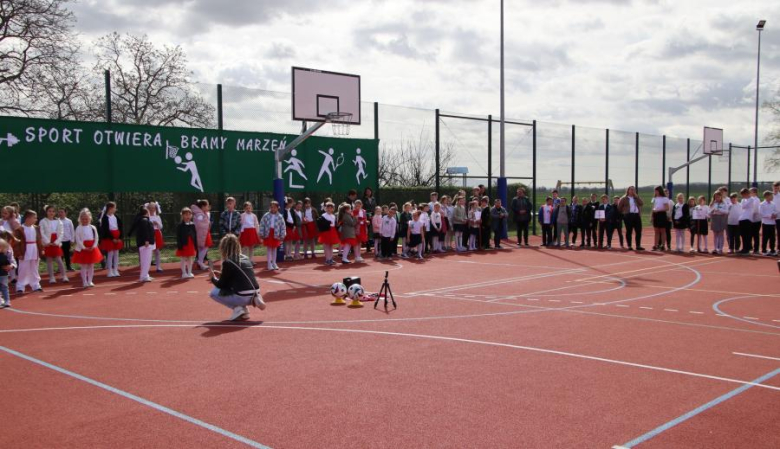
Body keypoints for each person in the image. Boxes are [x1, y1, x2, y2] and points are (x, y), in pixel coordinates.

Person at [208, 234, 265, 322]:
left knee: (213, 292)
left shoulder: (227, 262)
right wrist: (221, 274)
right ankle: (245, 309)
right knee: (236, 288)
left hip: (243, 295)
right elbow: (239, 276)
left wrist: (212, 278)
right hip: (255, 292)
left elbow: (221, 285)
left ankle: (238, 308)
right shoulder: (246, 258)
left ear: (223, 248)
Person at [13, 210, 43, 293]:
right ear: (28, 218)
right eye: (34, 218)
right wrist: (18, 253)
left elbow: (39, 240)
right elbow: (16, 243)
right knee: (23, 268)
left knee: (34, 267)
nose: (36, 219)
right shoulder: (19, 229)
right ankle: (20, 286)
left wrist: (41, 249)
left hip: (34, 249)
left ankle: (36, 285)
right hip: (24, 250)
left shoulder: (36, 228)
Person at [72, 208, 103, 288]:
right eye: (83, 219)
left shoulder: (93, 227)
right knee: (84, 265)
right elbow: (78, 239)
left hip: (92, 248)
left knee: (91, 265)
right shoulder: (79, 228)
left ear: (89, 218)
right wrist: (83, 247)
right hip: (83, 248)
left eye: (86, 219)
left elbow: (96, 238)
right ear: (80, 219)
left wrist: (94, 246)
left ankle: (90, 281)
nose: (84, 220)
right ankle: (84, 281)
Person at [40, 205, 68, 284]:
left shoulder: (59, 221)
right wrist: (47, 242)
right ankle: (51, 277)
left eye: (53, 211)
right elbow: (42, 232)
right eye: (49, 211)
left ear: (55, 213)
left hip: (56, 241)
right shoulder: (43, 221)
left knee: (59, 259)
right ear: (46, 212)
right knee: (49, 260)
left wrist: (57, 242)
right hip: (48, 242)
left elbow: (61, 232)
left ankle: (64, 276)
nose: (51, 213)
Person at [130, 206, 156, 283]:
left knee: (147, 260)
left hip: (145, 243)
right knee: (146, 260)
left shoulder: (143, 220)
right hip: (145, 243)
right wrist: (146, 240)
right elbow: (145, 231)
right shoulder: (144, 220)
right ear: (146, 212)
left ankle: (145, 274)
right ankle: (143, 276)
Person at [99, 201, 124, 278]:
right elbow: (105, 229)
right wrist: (112, 238)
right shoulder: (105, 218)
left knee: (116, 254)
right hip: (109, 237)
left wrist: (119, 238)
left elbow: (120, 227)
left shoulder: (116, 217)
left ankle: (115, 270)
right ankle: (110, 271)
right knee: (110, 254)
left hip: (117, 236)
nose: (115, 209)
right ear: (110, 208)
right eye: (114, 208)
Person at [259, 201, 286, 271]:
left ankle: (274, 263)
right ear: (270, 208)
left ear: (277, 208)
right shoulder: (266, 215)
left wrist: (282, 234)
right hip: (268, 234)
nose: (273, 209)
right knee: (269, 249)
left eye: (274, 207)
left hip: (276, 234)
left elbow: (283, 226)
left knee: (274, 249)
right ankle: (269, 264)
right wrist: (261, 233)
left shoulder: (280, 216)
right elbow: (262, 224)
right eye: (271, 207)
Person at [618, 186, 645, 250]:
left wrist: (637, 197)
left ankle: (638, 245)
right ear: (628, 190)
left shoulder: (636, 198)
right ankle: (629, 245)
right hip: (628, 216)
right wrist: (624, 213)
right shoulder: (624, 198)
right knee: (629, 231)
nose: (632, 191)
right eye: (631, 189)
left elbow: (641, 203)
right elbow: (619, 207)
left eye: (633, 189)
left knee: (638, 230)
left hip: (636, 215)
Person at [176, 207, 198, 279]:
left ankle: (189, 272)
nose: (188, 216)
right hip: (183, 244)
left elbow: (195, 235)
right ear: (182, 216)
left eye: (189, 214)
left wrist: (195, 245)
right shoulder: (180, 225)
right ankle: (184, 273)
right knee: (183, 258)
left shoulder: (193, 225)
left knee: (190, 258)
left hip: (190, 244)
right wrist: (180, 245)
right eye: (186, 214)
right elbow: (178, 236)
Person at [191, 199, 212, 270]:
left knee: (202, 248)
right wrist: (207, 224)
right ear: (203, 207)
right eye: (207, 206)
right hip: (203, 234)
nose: (208, 207)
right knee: (205, 247)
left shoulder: (203, 213)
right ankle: (200, 261)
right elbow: (199, 225)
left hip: (204, 233)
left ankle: (200, 262)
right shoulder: (200, 214)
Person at [650, 186, 670, 251]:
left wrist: (659, 210)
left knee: (662, 230)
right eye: (655, 191)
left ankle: (663, 245)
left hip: (662, 215)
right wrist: (651, 216)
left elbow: (667, 208)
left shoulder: (664, 198)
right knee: (656, 231)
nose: (655, 192)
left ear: (659, 191)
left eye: (656, 190)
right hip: (655, 215)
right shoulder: (654, 198)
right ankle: (655, 245)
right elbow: (652, 208)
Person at [147, 202, 164, 272]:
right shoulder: (147, 217)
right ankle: (147, 268)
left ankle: (158, 267)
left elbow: (161, 227)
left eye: (153, 208)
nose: (152, 209)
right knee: (149, 251)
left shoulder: (157, 217)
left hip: (156, 233)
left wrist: (157, 223)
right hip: (149, 234)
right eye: (150, 208)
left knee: (157, 251)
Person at [737, 188, 755, 255]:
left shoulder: (751, 199)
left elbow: (744, 206)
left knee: (747, 234)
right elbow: (742, 207)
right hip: (742, 218)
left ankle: (747, 248)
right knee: (743, 234)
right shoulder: (743, 200)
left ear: (747, 193)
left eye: (743, 194)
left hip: (748, 219)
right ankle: (744, 248)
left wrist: (743, 204)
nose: (742, 196)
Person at [759, 191, 777, 256]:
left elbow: (775, 211)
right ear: (766, 196)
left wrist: (775, 215)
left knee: (772, 237)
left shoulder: (773, 204)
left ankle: (772, 250)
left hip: (772, 223)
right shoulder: (762, 204)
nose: (772, 197)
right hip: (765, 223)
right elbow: (761, 213)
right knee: (765, 237)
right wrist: (769, 216)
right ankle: (764, 250)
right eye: (770, 195)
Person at [283, 197, 300, 262]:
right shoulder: (284, 210)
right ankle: (286, 255)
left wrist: (294, 226)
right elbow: (284, 219)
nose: (292, 204)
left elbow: (294, 219)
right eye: (291, 203)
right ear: (288, 203)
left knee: (290, 241)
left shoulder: (292, 210)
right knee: (286, 241)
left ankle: (290, 254)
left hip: (292, 228)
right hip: (287, 227)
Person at [58, 207, 75, 272]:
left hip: (67, 240)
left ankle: (68, 266)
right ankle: (60, 268)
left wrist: (72, 239)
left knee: (67, 254)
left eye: (62, 212)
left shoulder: (69, 221)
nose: (60, 213)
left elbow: (72, 230)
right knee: (60, 255)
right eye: (59, 212)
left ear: (65, 213)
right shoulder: (57, 221)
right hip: (59, 241)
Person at [0, 238, 15, 308]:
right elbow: (8, 264)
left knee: (4, 287)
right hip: (4, 274)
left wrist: (10, 266)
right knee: (5, 288)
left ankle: (5, 300)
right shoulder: (4, 256)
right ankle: (6, 301)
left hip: (3, 274)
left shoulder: (4, 256)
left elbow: (10, 264)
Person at [361, 187, 377, 252]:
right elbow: (363, 208)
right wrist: (367, 214)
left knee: (373, 230)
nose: (368, 192)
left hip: (373, 216)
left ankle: (374, 244)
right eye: (367, 191)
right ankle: (367, 246)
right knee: (367, 230)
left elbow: (375, 207)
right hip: (366, 216)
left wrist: (374, 214)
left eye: (369, 191)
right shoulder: (363, 199)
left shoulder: (373, 199)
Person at [749, 187, 762, 255]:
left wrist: (750, 214)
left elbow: (755, 210)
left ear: (755, 193)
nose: (750, 193)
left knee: (755, 235)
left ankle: (756, 249)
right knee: (750, 234)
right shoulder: (750, 199)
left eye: (751, 192)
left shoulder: (756, 200)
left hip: (756, 220)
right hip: (751, 220)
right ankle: (751, 247)